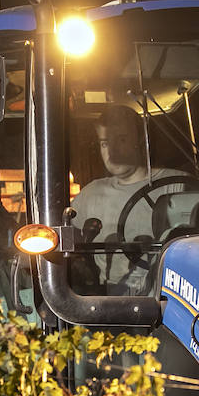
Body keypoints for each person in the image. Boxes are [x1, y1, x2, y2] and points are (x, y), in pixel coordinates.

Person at [69, 104, 183, 290]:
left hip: (167, 294)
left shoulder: (176, 185)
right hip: (108, 298)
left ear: (140, 140)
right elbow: (63, 239)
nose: (112, 152)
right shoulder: (90, 194)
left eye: (121, 140)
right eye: (105, 143)